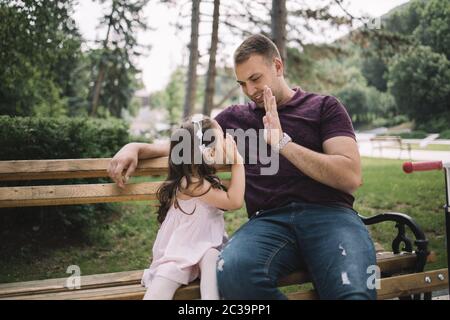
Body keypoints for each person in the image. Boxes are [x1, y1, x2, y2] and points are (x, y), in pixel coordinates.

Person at [108, 34, 377, 300]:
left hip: (329, 216)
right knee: (233, 273)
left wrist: (282, 143)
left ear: (278, 66)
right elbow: (190, 143)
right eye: (242, 83)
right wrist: (138, 148)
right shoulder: (235, 119)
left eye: (255, 79)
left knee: (352, 292)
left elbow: (350, 176)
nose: (250, 90)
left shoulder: (323, 107)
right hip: (269, 221)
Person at [139, 114, 245, 300]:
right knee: (168, 275)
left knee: (212, 257)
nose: (228, 142)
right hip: (181, 249)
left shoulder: (202, 180)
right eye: (222, 138)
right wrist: (238, 162)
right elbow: (234, 201)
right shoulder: (190, 183)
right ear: (208, 152)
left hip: (205, 246)